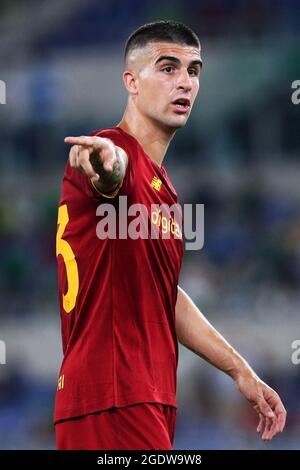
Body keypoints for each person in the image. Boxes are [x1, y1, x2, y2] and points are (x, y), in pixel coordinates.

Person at [55, 20, 286, 450]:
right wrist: (105, 164)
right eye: (167, 68)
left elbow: (165, 295)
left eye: (193, 71)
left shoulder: (165, 191)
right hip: (114, 398)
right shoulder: (110, 147)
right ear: (132, 82)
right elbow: (110, 173)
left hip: (145, 400)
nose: (184, 82)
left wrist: (240, 371)